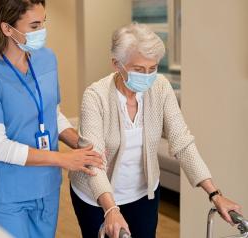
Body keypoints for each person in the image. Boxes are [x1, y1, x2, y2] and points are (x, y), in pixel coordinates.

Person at [69, 23, 241, 238]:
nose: (147, 76)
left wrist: (215, 194)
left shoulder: (160, 86)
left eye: (153, 68)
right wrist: (111, 209)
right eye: (139, 70)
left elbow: (182, 141)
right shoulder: (95, 96)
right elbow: (92, 161)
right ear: (116, 64)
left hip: (142, 193)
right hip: (95, 196)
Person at [0, 0, 103, 237]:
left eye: (43, 23)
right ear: (7, 28)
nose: (42, 32)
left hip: (46, 187)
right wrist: (64, 159)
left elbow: (52, 114)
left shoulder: (47, 58)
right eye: (34, 25)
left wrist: (81, 144)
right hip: (8, 193)